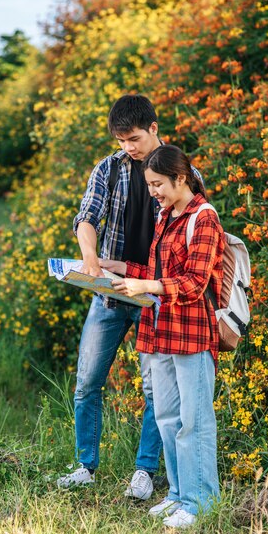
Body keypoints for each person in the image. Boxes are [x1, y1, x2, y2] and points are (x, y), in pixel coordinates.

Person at [57, 95, 202, 500]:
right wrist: (90, 258)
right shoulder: (108, 167)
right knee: (87, 381)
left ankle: (145, 470)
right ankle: (85, 465)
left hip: (156, 296)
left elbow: (198, 234)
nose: (128, 148)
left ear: (154, 128)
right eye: (121, 140)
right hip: (111, 291)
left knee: (156, 392)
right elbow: (86, 216)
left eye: (134, 138)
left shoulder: (185, 173)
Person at [101, 144, 225, 528]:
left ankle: (201, 501)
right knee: (169, 417)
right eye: (150, 184)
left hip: (192, 332)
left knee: (194, 420)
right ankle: (178, 494)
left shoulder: (203, 218)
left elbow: (193, 283)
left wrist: (147, 288)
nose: (153, 191)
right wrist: (117, 268)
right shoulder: (164, 215)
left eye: (158, 184)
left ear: (180, 178)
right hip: (160, 330)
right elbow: (155, 268)